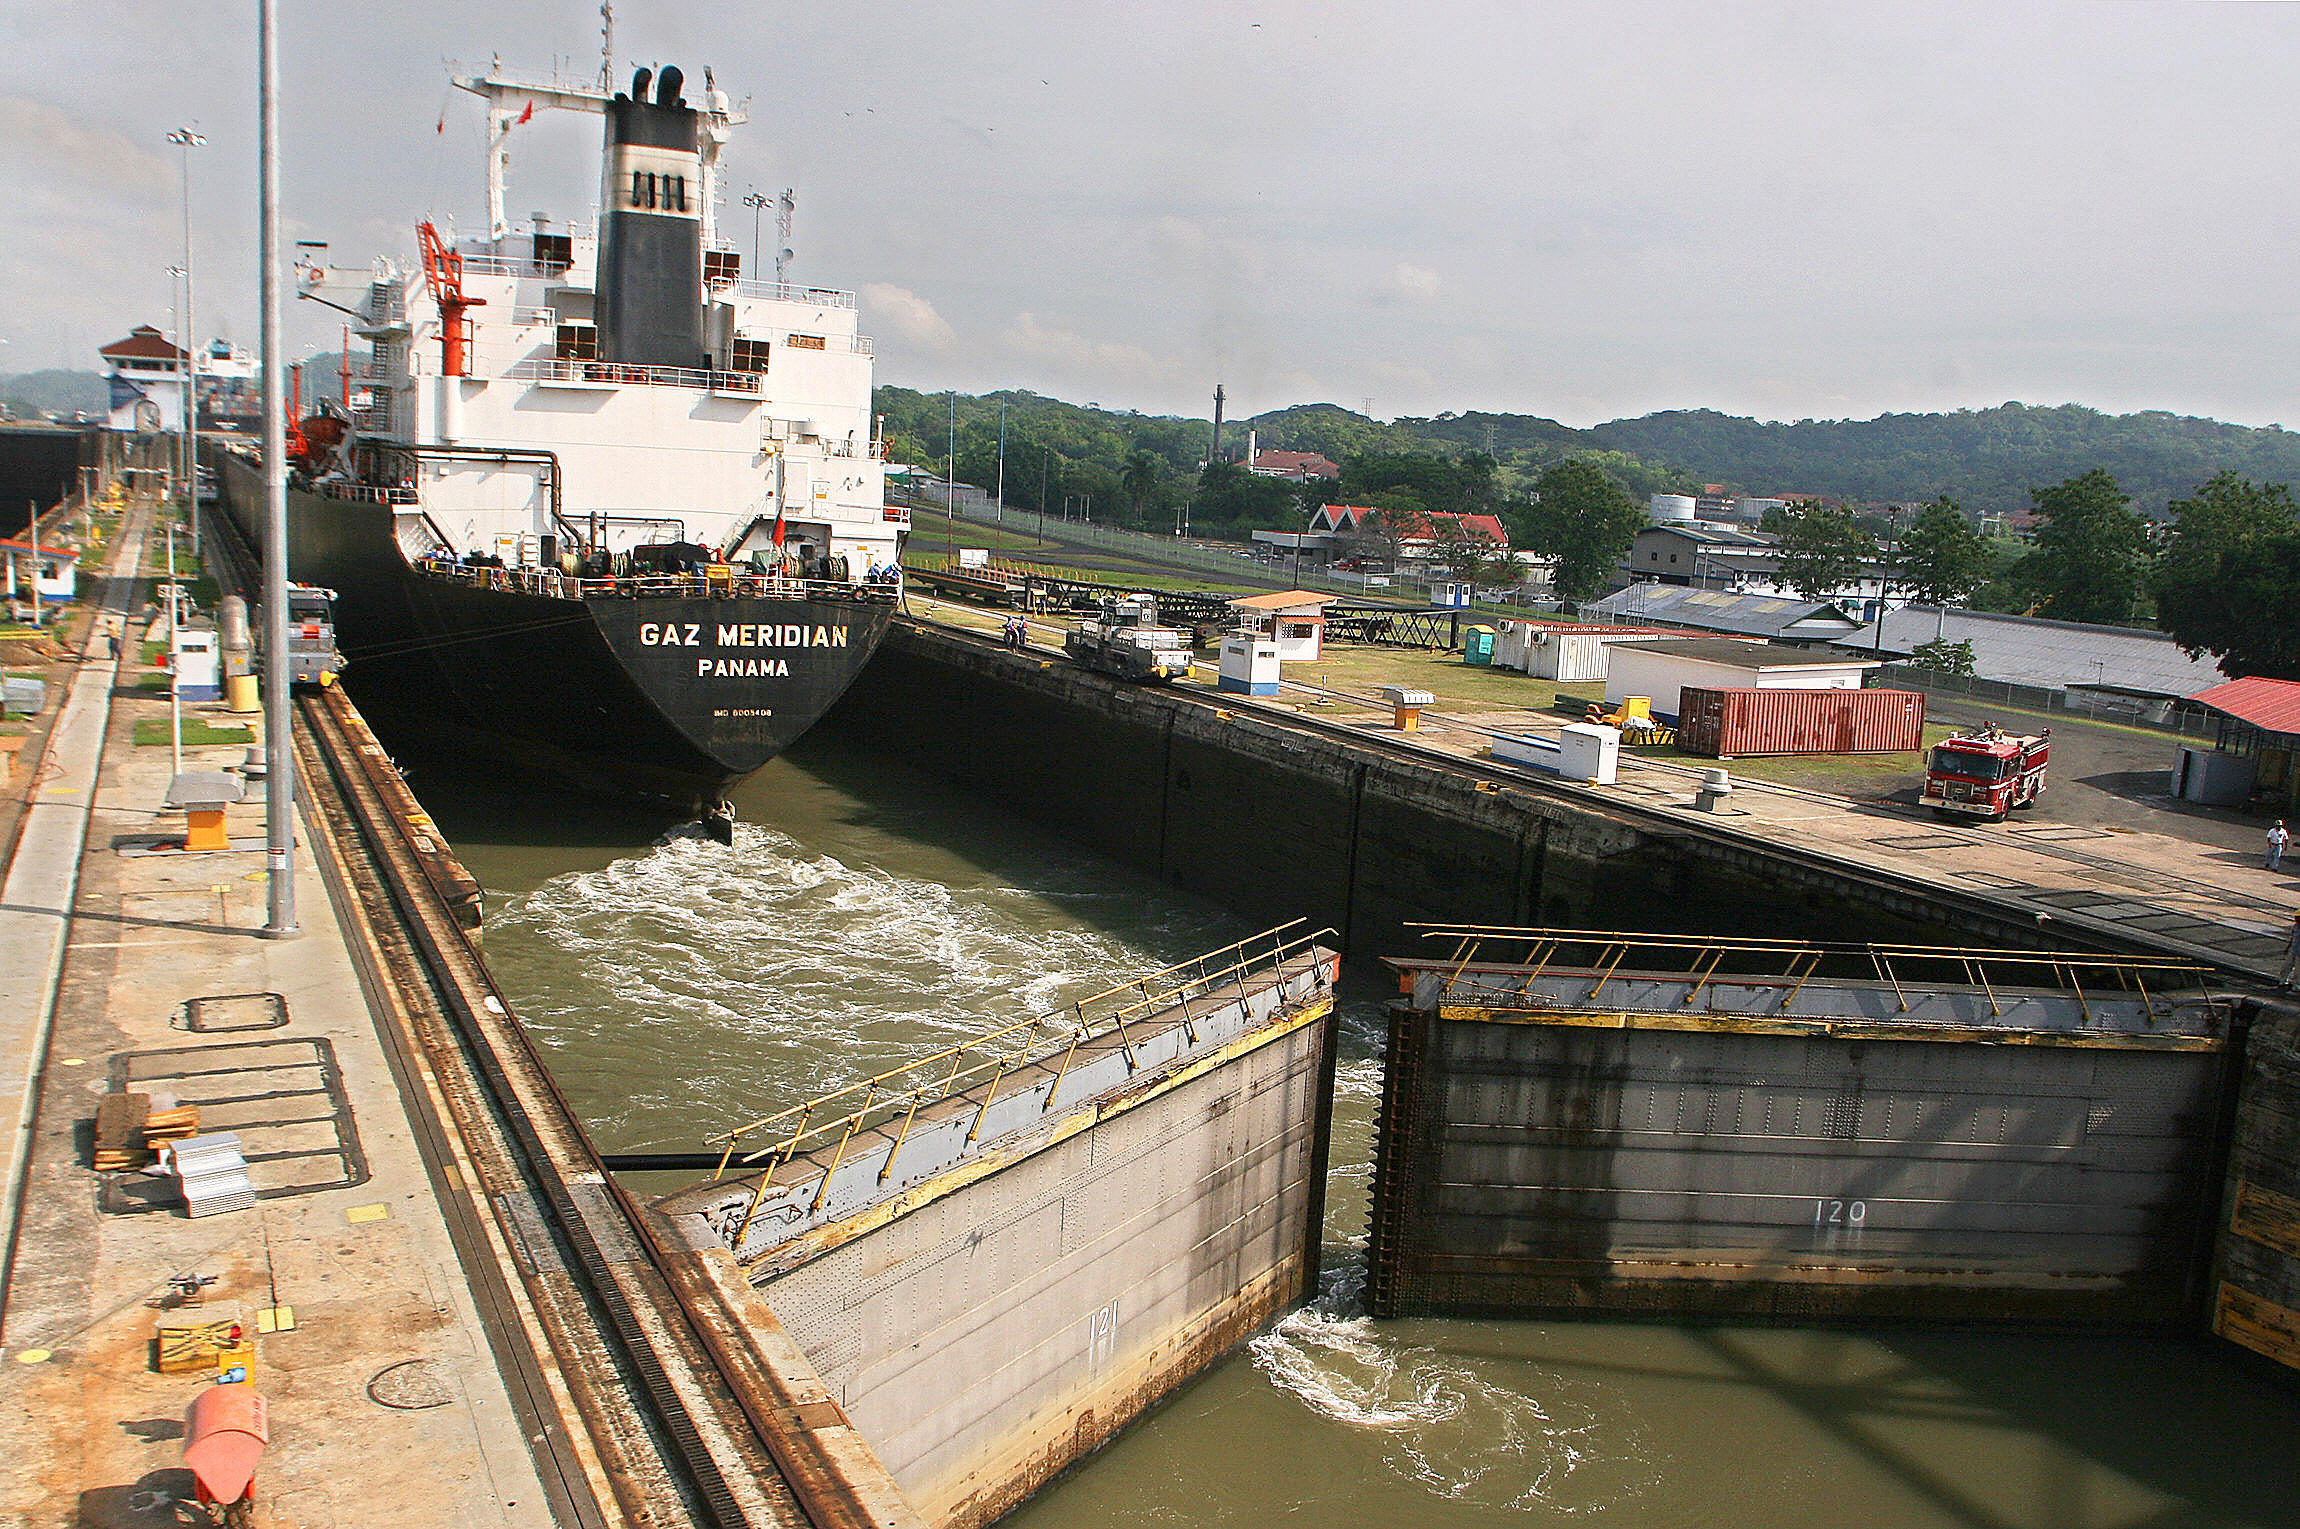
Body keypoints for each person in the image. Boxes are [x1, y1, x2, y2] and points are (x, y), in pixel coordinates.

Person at [2282, 909, 2300, 989]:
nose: (2295, 919)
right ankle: (2283, 981)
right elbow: (2293, 938)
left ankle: (2296, 986)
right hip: (2293, 950)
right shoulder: (2295, 926)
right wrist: (2288, 947)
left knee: (2298, 971)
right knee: (2286, 966)